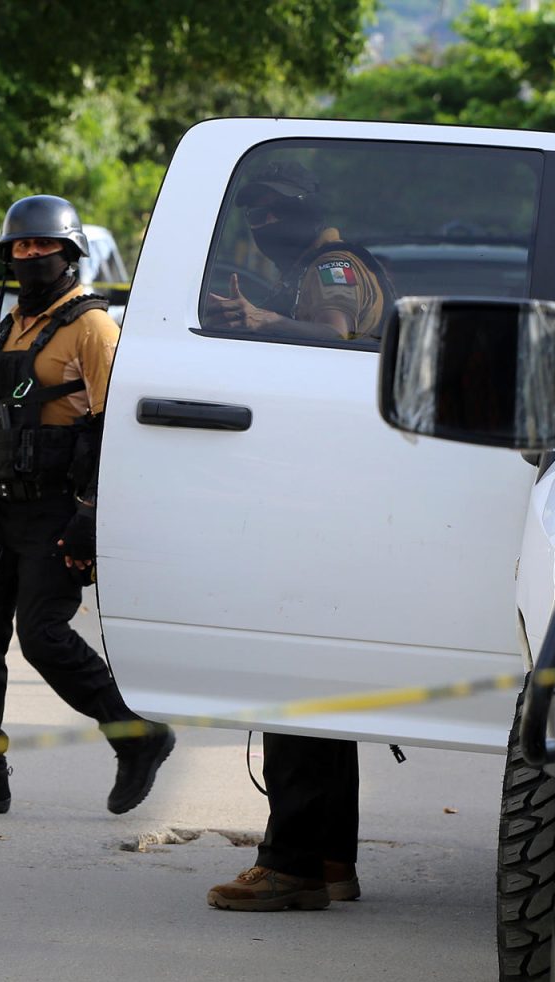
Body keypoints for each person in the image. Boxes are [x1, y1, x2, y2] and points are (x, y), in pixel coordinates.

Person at [0, 194, 175, 818]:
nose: (31, 256)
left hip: (61, 506)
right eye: (21, 248)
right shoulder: (12, 323)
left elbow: (114, 429)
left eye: (44, 246)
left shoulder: (91, 327)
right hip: (3, 505)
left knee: (43, 635)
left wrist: (91, 514)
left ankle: (136, 735)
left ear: (69, 253)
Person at [201, 162, 391, 911]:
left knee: (294, 687)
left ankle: (291, 867)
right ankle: (331, 863)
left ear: (307, 209)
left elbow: (337, 338)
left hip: (323, 498)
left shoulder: (333, 266)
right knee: (317, 691)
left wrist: (264, 324)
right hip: (335, 491)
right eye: (251, 214)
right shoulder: (318, 263)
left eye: (272, 210)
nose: (260, 225)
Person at [202, 160, 391, 344]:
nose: (270, 221)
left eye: (283, 209)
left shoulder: (332, 265)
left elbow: (337, 334)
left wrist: (263, 320)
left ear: (311, 209)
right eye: (258, 214)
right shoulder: (299, 270)